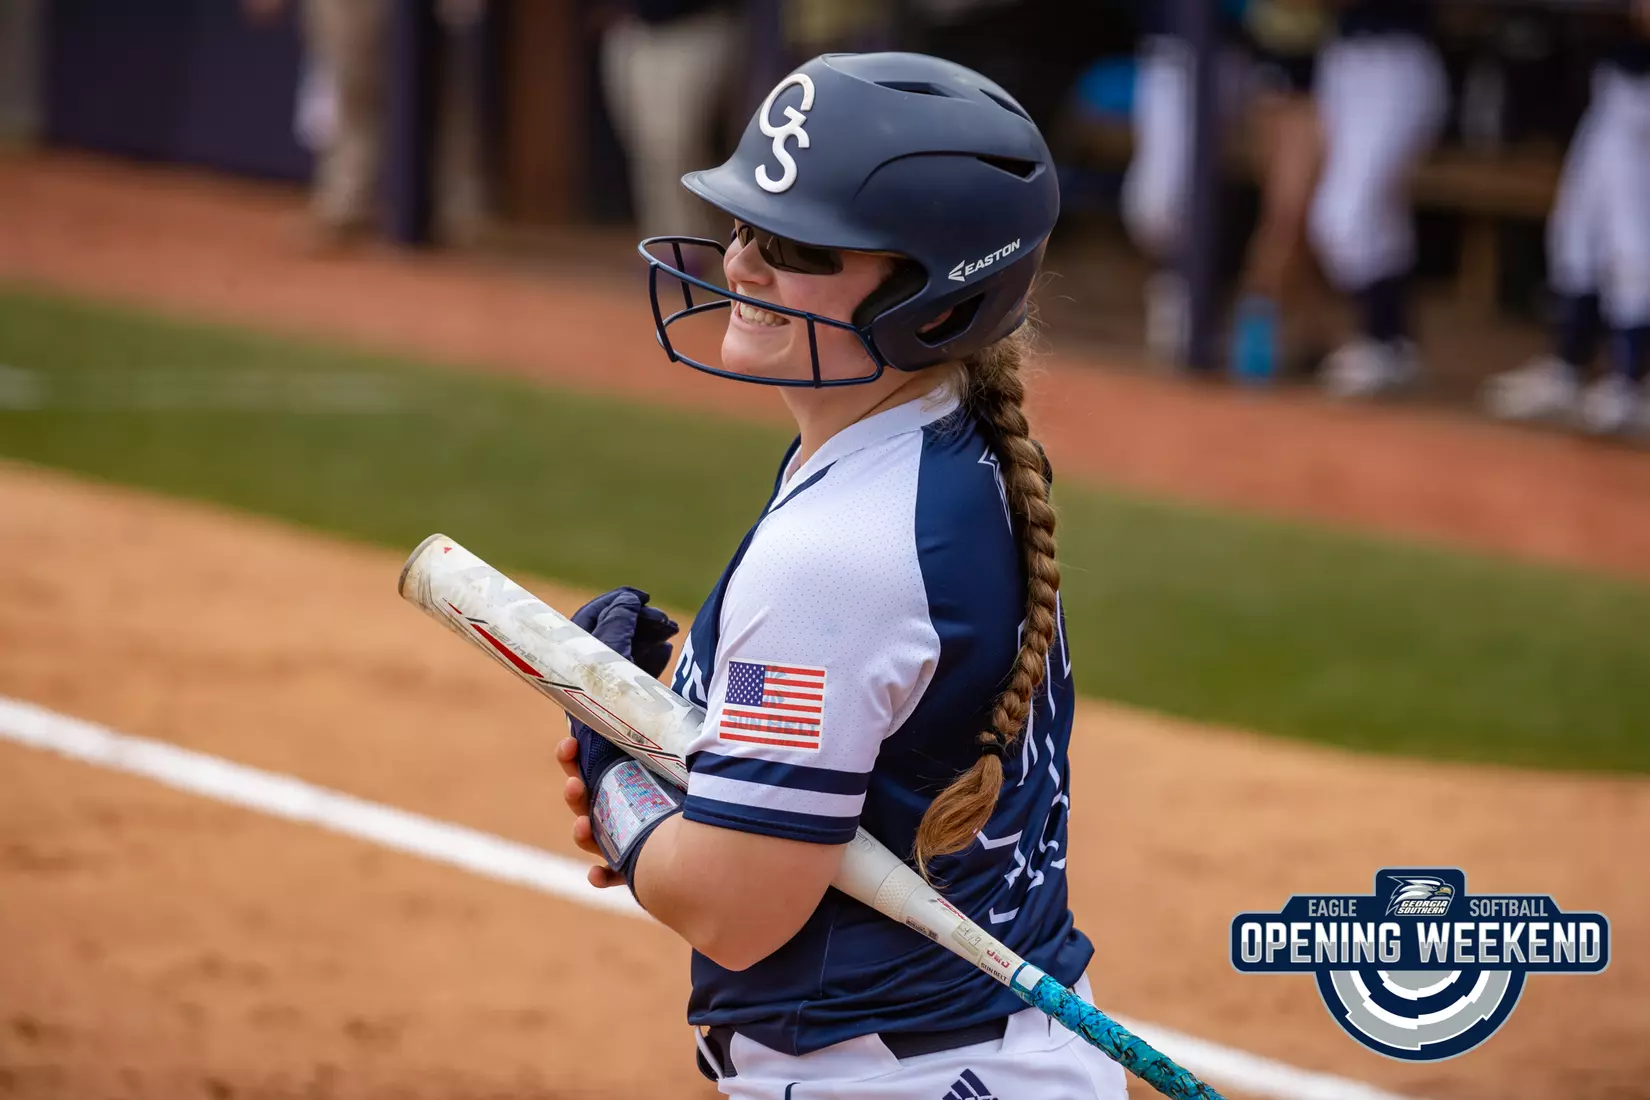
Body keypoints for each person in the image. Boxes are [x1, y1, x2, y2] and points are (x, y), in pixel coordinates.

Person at [555, 53, 1123, 1099]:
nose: (742, 263)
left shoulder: (838, 552)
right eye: (745, 224)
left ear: (936, 301)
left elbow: (736, 905)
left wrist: (613, 775)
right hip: (987, 1057)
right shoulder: (947, 455)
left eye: (798, 245)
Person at [1483, 0, 1650, 436]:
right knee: (1575, 236)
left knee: (1632, 245)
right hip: (1615, 89)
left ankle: (1628, 384)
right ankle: (1568, 369)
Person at [1308, 0, 1448, 399]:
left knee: (1348, 216)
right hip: (1344, 60)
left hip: (1398, 62)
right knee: (1369, 217)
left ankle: (1385, 343)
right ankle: (1389, 342)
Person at [597, 0, 741, 243]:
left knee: (674, 143)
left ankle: (693, 242)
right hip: (634, 28)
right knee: (646, 147)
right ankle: (661, 242)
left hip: (695, 26)